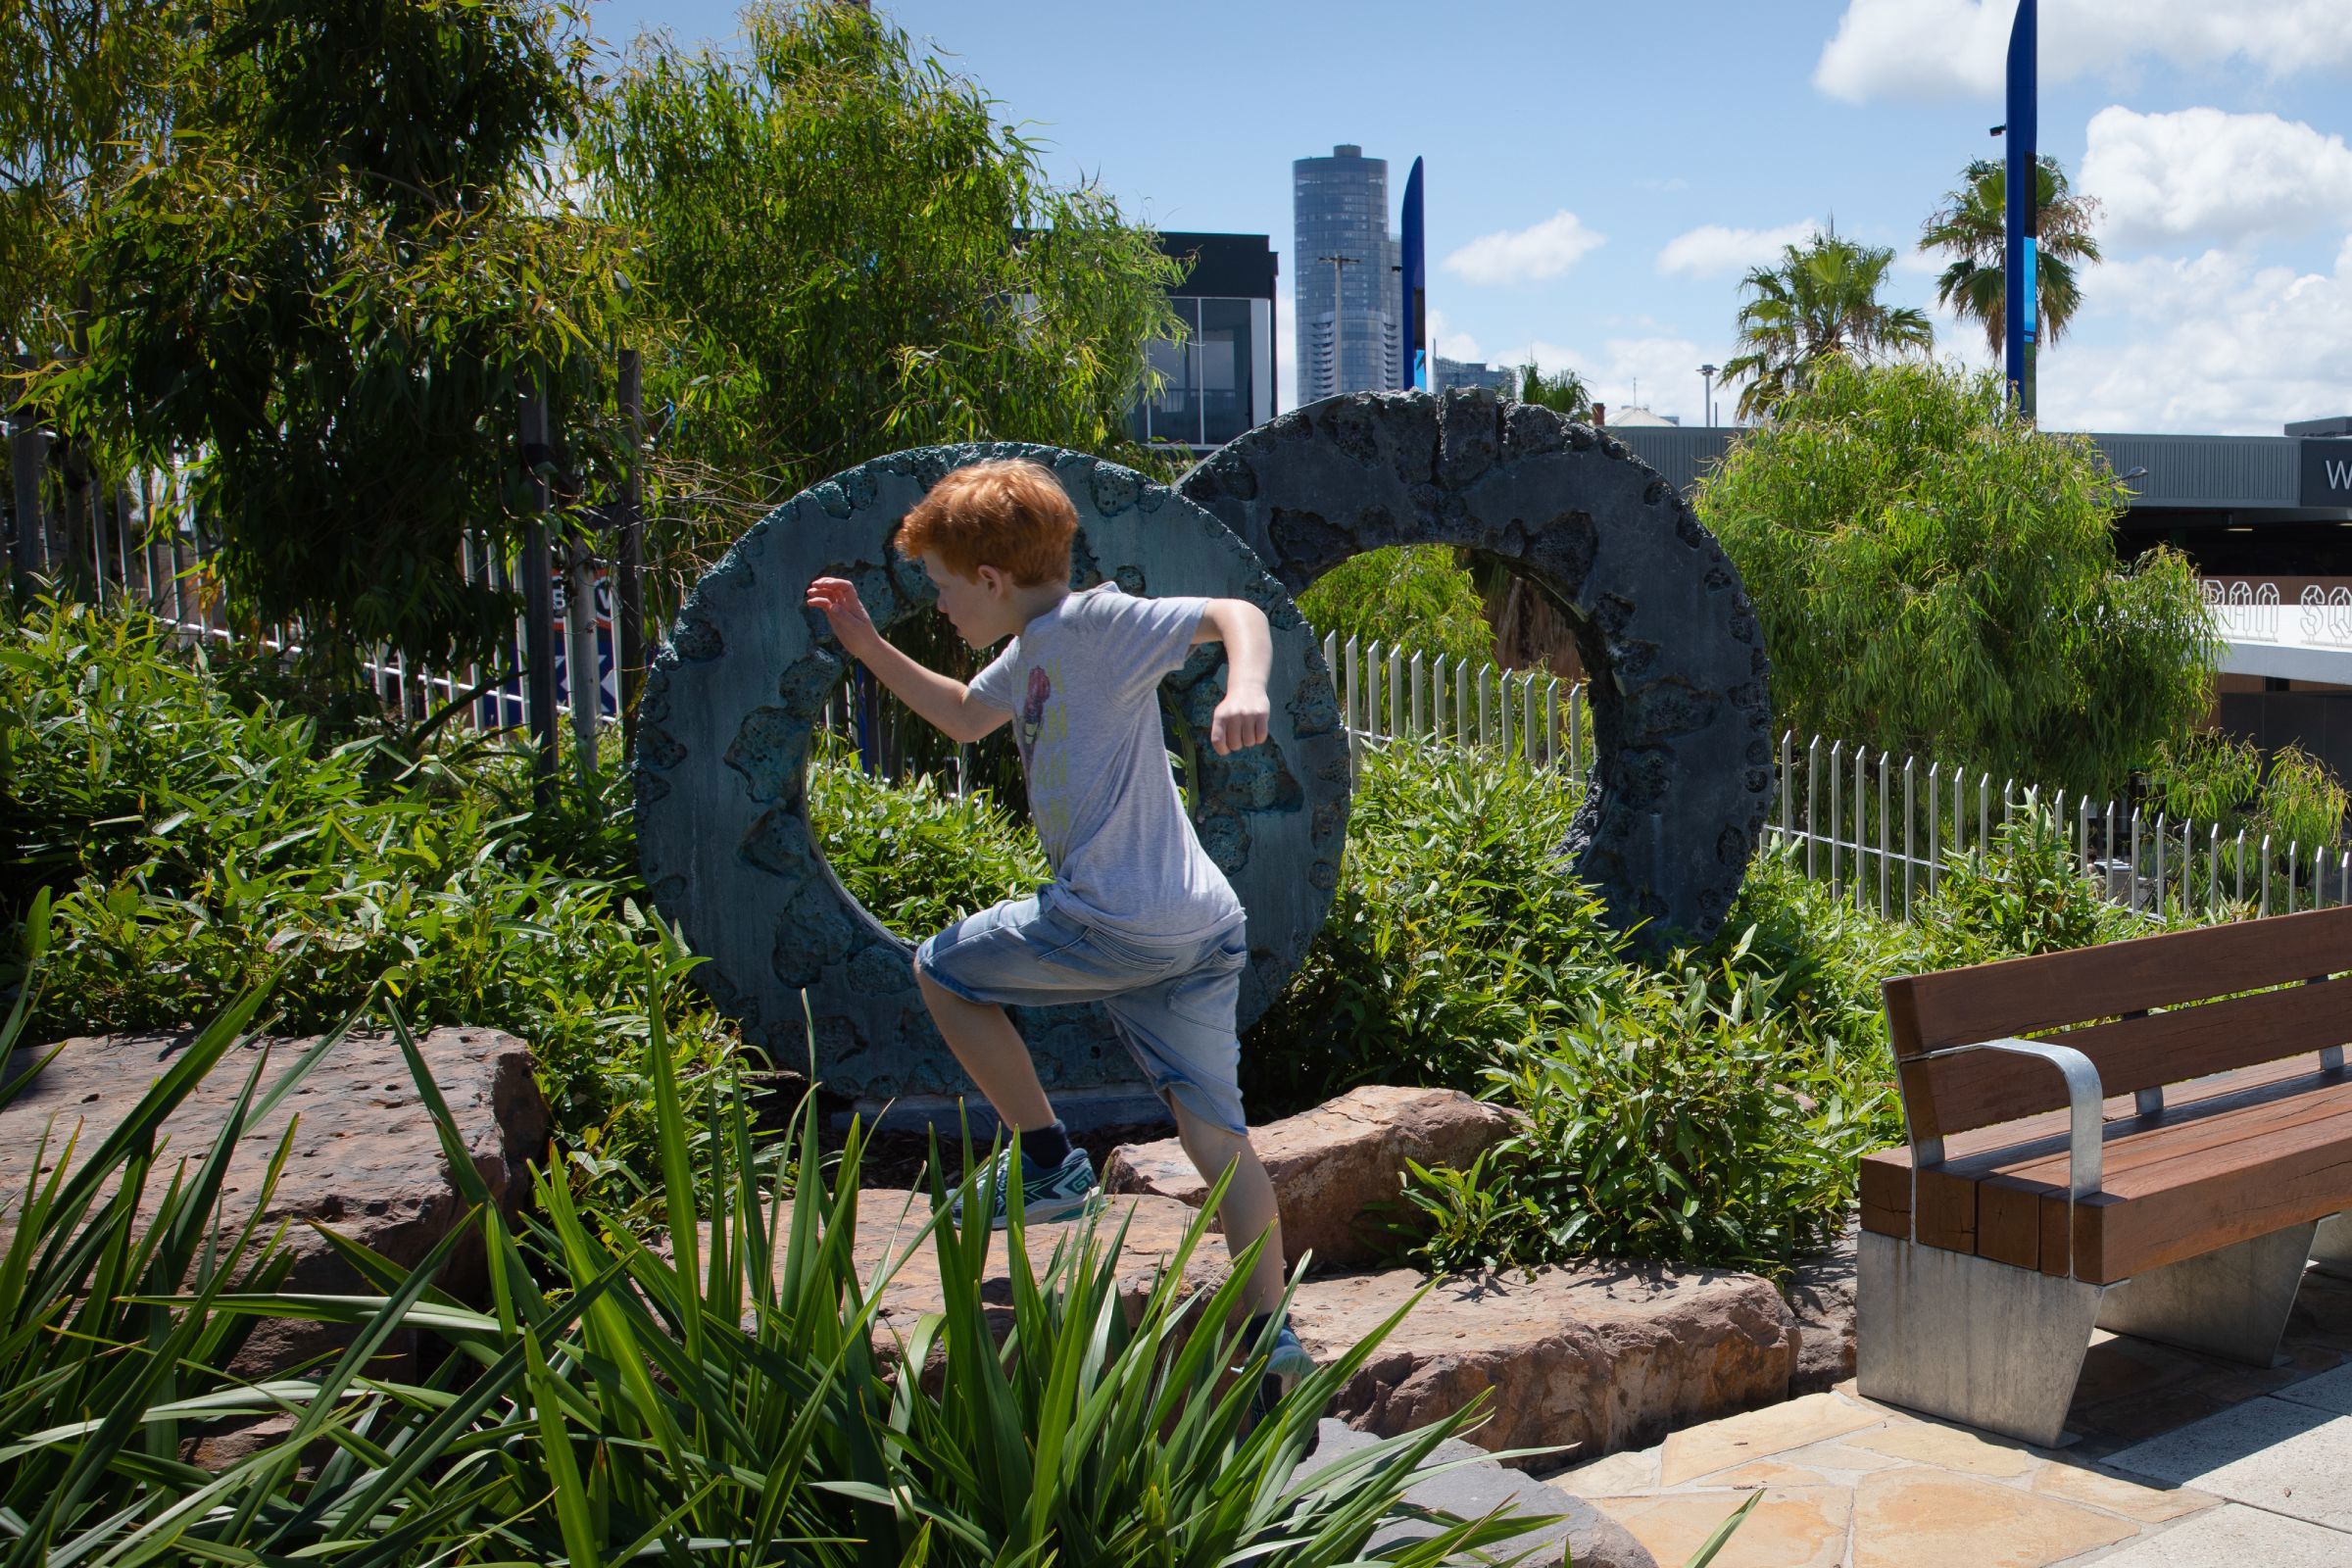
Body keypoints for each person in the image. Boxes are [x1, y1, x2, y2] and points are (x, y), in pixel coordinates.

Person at [804, 458, 1312, 1394]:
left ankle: (1045, 1161)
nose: (942, 608)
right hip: (1198, 931)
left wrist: (1246, 688)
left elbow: (1235, 614)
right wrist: (866, 644)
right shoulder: (1035, 646)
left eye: (945, 589)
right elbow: (964, 716)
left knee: (942, 971)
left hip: (1112, 917)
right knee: (1217, 1138)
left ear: (991, 578)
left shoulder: (1094, 624)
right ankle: (1272, 1336)